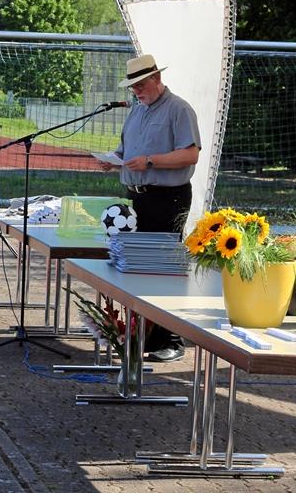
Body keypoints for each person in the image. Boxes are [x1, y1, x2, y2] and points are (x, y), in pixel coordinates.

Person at [107, 53, 200, 362]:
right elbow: (127, 149)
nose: (137, 91)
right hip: (137, 197)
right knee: (138, 267)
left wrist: (150, 161)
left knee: (165, 268)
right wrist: (112, 161)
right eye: (133, 87)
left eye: (141, 85)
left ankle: (171, 339)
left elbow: (190, 155)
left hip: (167, 198)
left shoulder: (179, 110)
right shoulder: (136, 111)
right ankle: (145, 333)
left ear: (158, 79)